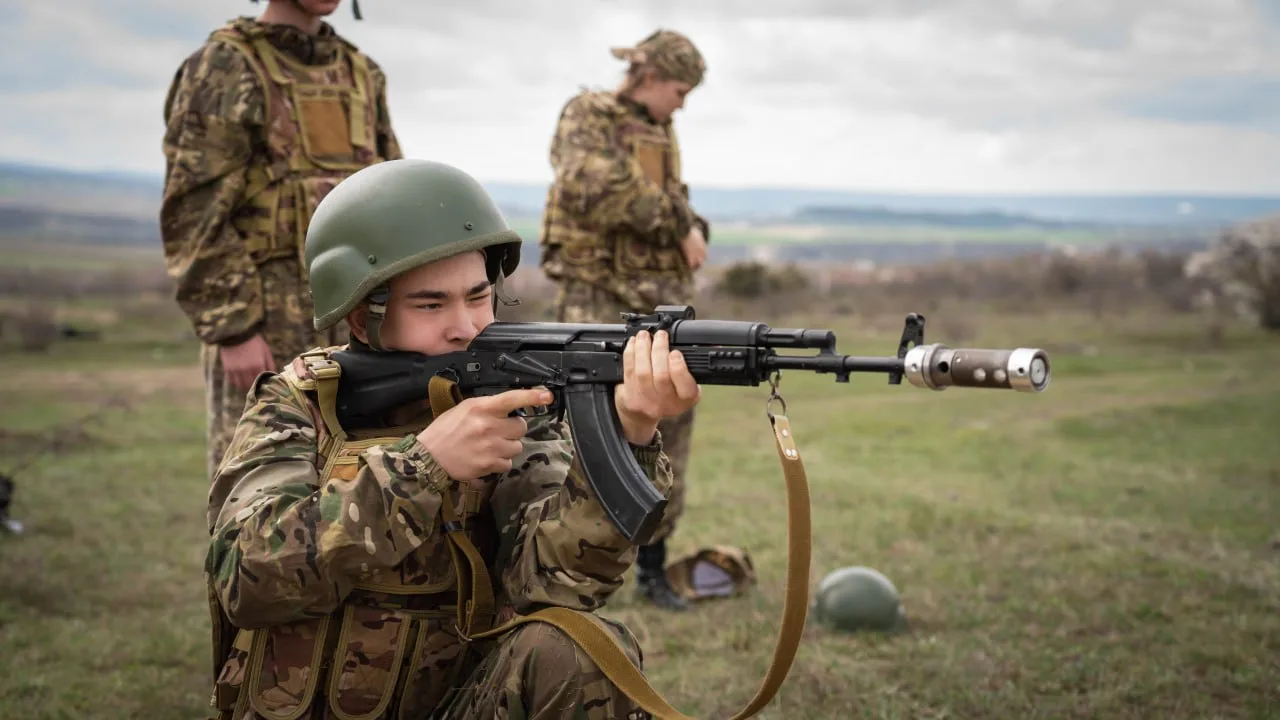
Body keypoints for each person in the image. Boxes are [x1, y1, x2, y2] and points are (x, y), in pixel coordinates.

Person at [203, 158, 701, 719]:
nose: (465, 326)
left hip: (462, 706)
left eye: (478, 296)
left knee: (582, 646)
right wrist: (423, 467)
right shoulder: (297, 403)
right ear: (362, 318)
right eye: (431, 304)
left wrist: (632, 430)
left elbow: (556, 583)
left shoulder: (510, 406)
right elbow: (244, 579)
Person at [160, 0, 401, 481]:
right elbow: (194, 210)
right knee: (258, 484)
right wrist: (234, 329)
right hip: (266, 328)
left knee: (361, 487)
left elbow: (391, 195)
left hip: (358, 325)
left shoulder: (361, 73)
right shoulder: (227, 65)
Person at [538, 28, 710, 611]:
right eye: (679, 91)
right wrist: (679, 223)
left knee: (669, 425)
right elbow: (595, 186)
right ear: (651, 76)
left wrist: (691, 223)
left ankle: (653, 567)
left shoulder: (660, 131)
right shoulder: (589, 114)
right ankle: (571, 558)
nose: (681, 105)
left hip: (659, 301)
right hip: (599, 298)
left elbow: (668, 195)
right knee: (590, 430)